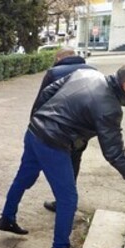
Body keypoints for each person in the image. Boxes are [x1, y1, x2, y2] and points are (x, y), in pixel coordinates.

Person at [0, 62, 125, 248]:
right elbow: (115, 154)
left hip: (35, 132)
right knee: (68, 198)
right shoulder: (109, 108)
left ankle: (6, 218)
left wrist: (38, 119)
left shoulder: (86, 73)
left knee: (23, 178)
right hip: (53, 143)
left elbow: (47, 92)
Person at [33, 47, 96, 212]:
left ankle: (62, 201)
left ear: (60, 57)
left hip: (57, 128)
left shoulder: (54, 72)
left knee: (56, 164)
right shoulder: (94, 71)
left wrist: (34, 124)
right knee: (74, 162)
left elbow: (42, 99)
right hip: (82, 130)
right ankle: (68, 200)